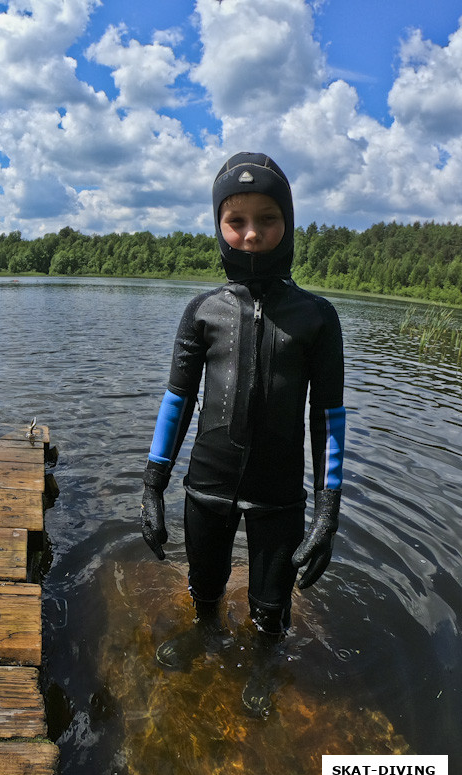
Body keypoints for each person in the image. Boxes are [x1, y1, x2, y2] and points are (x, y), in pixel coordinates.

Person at [140, 152, 345, 647]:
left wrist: (327, 511)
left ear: (288, 223)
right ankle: (203, 636)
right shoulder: (203, 312)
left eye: (268, 219)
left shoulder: (317, 318)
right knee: (203, 596)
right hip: (207, 487)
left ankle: (265, 667)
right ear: (219, 225)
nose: (251, 234)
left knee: (270, 615)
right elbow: (177, 402)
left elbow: (328, 418)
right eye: (236, 221)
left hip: (279, 497)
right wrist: (152, 486)